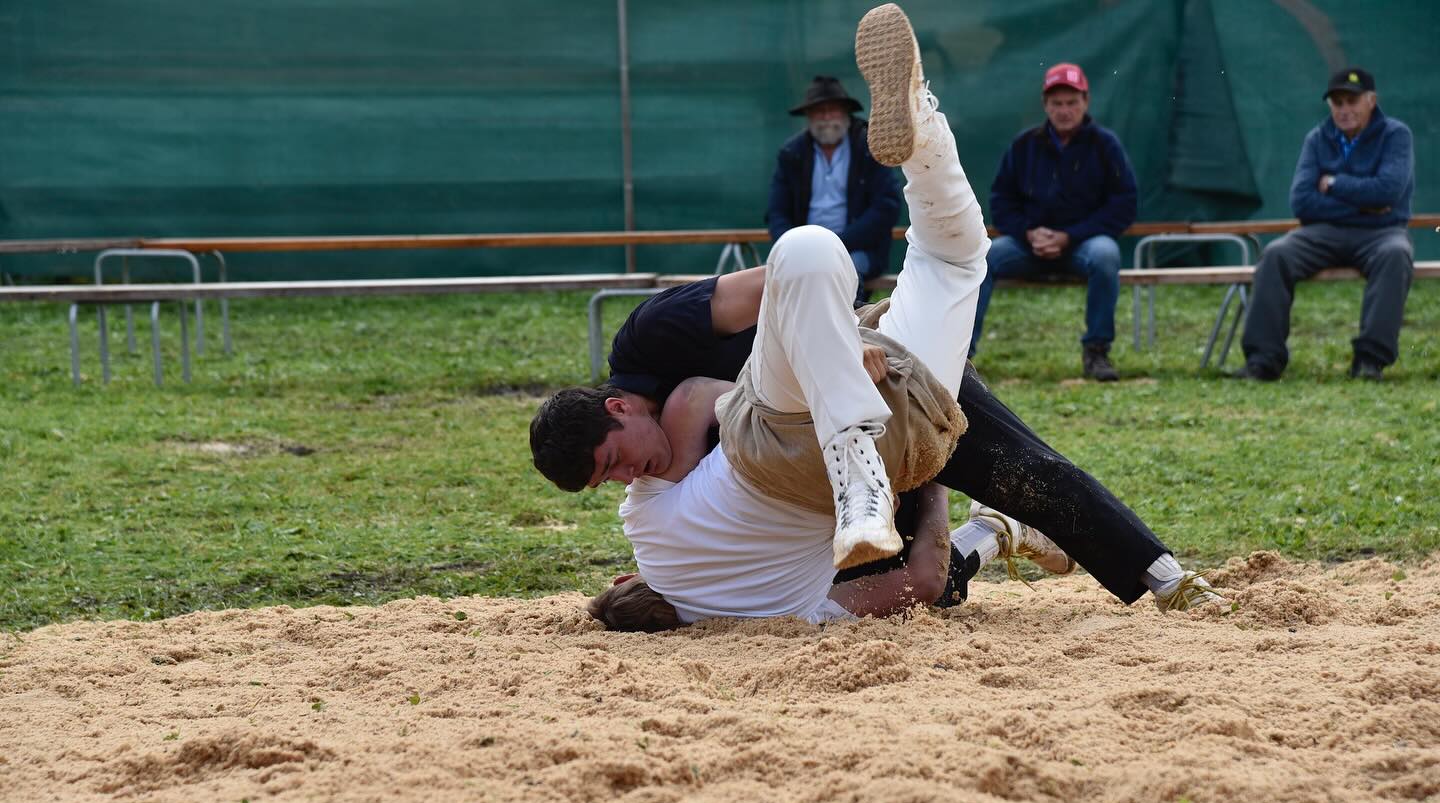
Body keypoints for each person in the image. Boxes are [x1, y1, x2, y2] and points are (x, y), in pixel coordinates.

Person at [532, 4, 1218, 627]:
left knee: (1021, 463)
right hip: (868, 441)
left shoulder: (655, 346)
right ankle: (924, 122)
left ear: (619, 407)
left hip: (826, 387)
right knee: (957, 261)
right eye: (610, 482)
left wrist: (833, 341)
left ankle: (1158, 574)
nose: (629, 476)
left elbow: (761, 306)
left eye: (615, 461)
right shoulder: (654, 511)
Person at [1236, 67, 1415, 382]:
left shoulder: (1396, 135)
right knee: (1277, 254)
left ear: (1371, 100)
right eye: (1337, 103)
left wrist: (1333, 184)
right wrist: (1368, 205)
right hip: (1322, 233)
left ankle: (1369, 361)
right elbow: (1302, 202)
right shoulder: (1317, 138)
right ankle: (1263, 360)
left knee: (1396, 254)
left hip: (1382, 233)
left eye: (1352, 101)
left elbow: (1388, 191)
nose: (1344, 110)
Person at [971, 61, 1138, 381]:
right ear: (1045, 106)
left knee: (1105, 255)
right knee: (985, 259)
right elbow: (1001, 201)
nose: (1064, 110)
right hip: (1027, 245)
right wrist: (1028, 233)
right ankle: (963, 355)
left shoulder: (1106, 145)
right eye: (1057, 103)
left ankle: (1097, 352)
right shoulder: (1023, 146)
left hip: (1083, 246)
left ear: (1086, 102)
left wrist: (1070, 236)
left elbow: (1124, 203)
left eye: (1072, 102)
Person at [766, 74, 903, 289]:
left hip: (858, 249)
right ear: (809, 115)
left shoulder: (869, 148)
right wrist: (793, 247)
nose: (827, 117)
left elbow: (887, 206)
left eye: (834, 110)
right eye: (820, 111)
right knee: (782, 278)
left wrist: (838, 244)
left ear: (846, 114)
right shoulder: (792, 154)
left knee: (844, 273)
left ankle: (849, 322)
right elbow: (777, 213)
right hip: (804, 251)